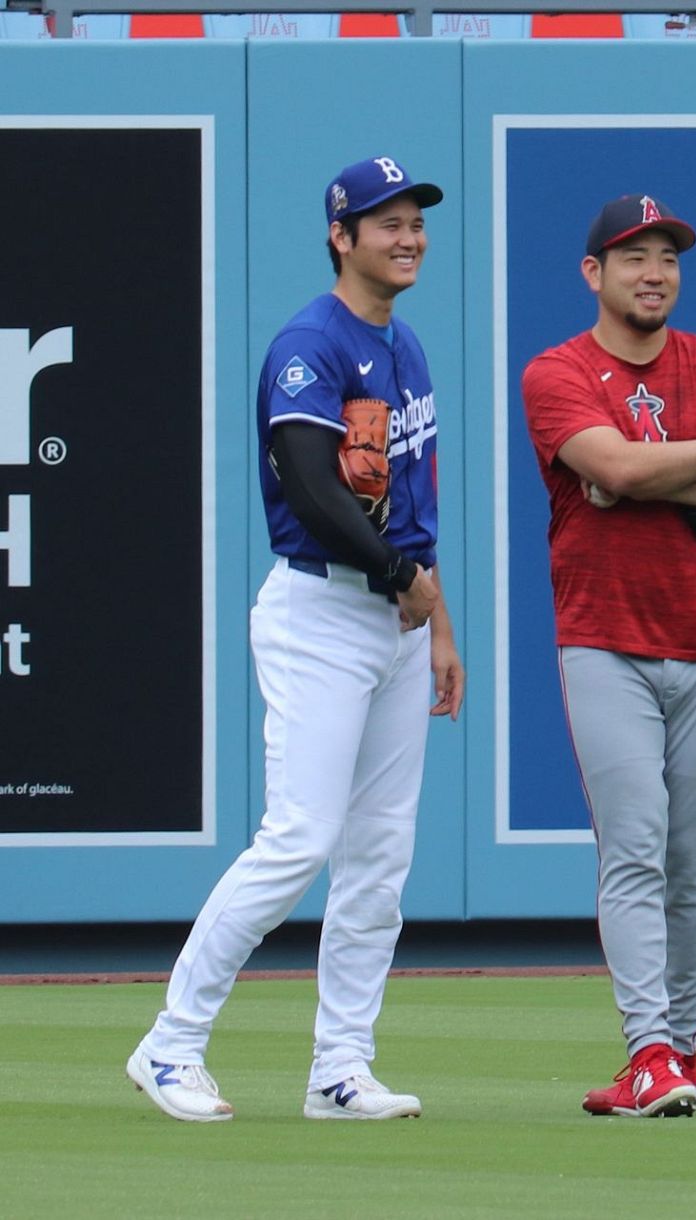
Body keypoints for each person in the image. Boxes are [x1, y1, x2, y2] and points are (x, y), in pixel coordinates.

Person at [127, 155, 464, 1123]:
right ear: (340, 235)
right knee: (300, 836)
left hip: (393, 617)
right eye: (384, 221)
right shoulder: (309, 343)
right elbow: (314, 489)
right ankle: (169, 1043)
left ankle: (340, 1067)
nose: (406, 237)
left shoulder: (403, 345)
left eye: (415, 221)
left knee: (379, 854)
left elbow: (406, 510)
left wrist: (434, 621)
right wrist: (406, 584)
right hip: (321, 612)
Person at [521, 193, 696, 1119]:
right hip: (604, 638)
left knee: (693, 859)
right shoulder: (556, 370)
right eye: (633, 256)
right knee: (635, 847)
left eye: (668, 257)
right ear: (592, 273)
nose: (654, 272)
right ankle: (646, 1047)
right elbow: (618, 471)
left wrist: (653, 473)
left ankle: (677, 1055)